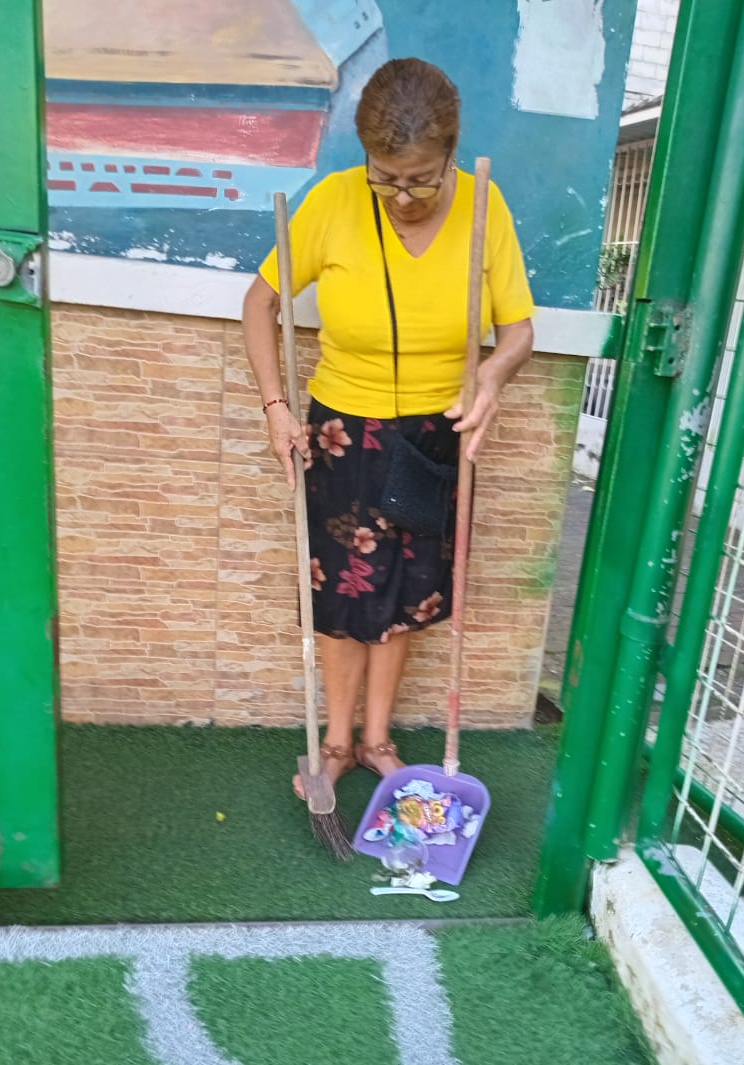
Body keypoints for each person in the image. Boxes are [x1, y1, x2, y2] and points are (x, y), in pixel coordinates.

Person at [243, 57, 534, 798]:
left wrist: (492, 379)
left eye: (420, 180)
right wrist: (277, 407)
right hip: (343, 432)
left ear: (451, 154)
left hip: (435, 436)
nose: (402, 196)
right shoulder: (333, 202)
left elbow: (518, 331)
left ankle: (377, 741)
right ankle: (336, 743)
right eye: (387, 178)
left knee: (406, 594)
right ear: (366, 158)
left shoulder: (485, 207)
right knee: (343, 595)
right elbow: (259, 304)